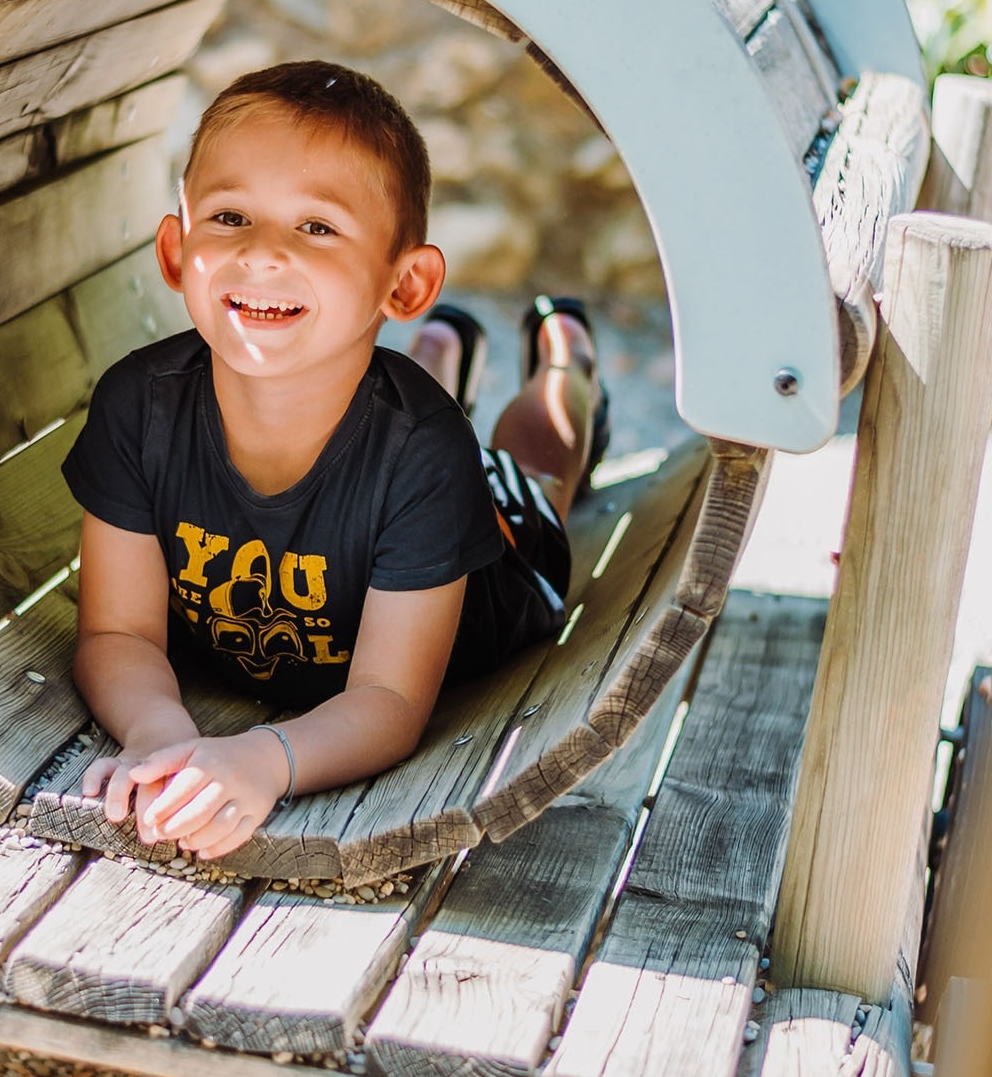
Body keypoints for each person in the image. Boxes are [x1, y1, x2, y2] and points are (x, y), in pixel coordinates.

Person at [62, 59, 611, 862]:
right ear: (177, 251)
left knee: (535, 480)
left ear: (405, 281)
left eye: (316, 226)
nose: (263, 253)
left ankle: (566, 370)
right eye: (229, 216)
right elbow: (116, 631)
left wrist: (259, 759)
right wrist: (161, 738)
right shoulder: (137, 408)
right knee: (399, 393)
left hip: (486, 575)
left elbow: (388, 699)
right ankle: (438, 356)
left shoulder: (425, 454)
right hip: (386, 426)